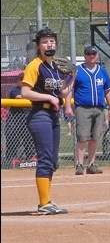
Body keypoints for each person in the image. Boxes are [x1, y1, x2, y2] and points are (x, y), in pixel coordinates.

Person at [19, 27, 74, 214]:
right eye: (44, 41)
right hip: (39, 115)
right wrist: (49, 98)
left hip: (53, 116)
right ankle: (44, 204)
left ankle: (47, 201)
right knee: (45, 158)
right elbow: (25, 92)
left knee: (51, 160)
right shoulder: (35, 65)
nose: (49, 44)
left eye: (52, 41)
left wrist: (71, 79)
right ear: (38, 46)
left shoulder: (56, 67)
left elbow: (63, 92)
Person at [66, 45, 110, 175]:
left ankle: (92, 164)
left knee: (94, 137)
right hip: (83, 108)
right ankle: (79, 165)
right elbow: (69, 90)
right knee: (82, 137)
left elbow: (108, 91)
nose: (91, 56)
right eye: (89, 54)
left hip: (99, 108)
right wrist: (67, 106)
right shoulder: (78, 71)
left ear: (97, 55)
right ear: (85, 55)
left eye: (93, 54)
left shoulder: (102, 71)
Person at [5, 82, 36, 166]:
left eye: (24, 79)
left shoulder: (31, 89)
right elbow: (19, 97)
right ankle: (11, 158)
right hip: (15, 119)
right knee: (13, 138)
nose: (22, 82)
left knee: (29, 138)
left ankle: (31, 157)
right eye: (20, 80)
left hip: (28, 118)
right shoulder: (14, 90)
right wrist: (32, 96)